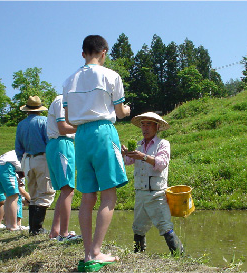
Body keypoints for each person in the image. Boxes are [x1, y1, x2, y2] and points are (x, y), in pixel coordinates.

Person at [63, 35, 130, 268]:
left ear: (83, 53)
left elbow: (69, 119)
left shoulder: (69, 81)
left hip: (80, 137)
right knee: (109, 193)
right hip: (103, 132)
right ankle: (97, 252)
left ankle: (87, 254)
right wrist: (127, 109)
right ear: (104, 52)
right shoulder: (111, 75)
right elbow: (120, 112)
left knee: (87, 195)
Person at [121, 112, 184, 256]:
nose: (145, 128)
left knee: (165, 226)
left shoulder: (163, 144)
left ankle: (180, 257)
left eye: (148, 124)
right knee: (138, 227)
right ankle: (138, 256)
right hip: (141, 194)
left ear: (156, 127)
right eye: (143, 124)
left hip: (157, 193)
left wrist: (143, 157)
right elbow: (129, 162)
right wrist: (125, 153)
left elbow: (161, 163)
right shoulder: (138, 145)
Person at [15, 95, 55, 235]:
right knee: (45, 193)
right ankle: (37, 228)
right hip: (42, 158)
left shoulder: (21, 125)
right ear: (40, 109)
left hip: (27, 160)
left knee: (33, 194)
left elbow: (18, 147)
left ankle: (33, 228)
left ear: (27, 110)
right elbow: (49, 142)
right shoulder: (44, 122)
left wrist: (23, 162)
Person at [46, 95, 80, 242]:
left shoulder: (65, 101)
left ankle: (55, 230)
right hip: (62, 144)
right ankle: (64, 234)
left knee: (64, 190)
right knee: (68, 190)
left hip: (58, 145)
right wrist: (85, 126)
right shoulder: (62, 101)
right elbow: (63, 127)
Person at [0, 150, 26, 231]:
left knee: (8, 197)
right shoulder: (30, 153)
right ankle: (13, 225)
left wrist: (18, 180)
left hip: (0, 166)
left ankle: (9, 224)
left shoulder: (17, 151)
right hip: (7, 166)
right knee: (13, 197)